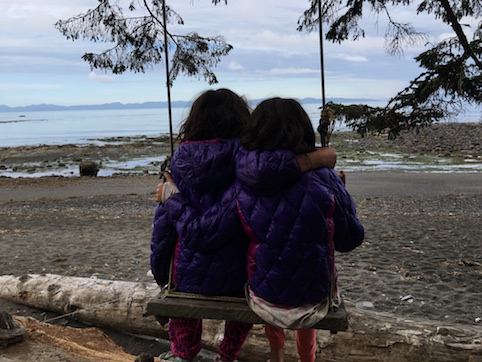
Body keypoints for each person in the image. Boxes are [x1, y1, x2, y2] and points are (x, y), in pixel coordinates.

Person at [150, 89, 337, 362]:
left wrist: (161, 277)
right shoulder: (249, 165)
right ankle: (227, 355)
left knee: (183, 297)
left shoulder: (177, 167)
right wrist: (315, 159)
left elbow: (162, 232)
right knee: (248, 283)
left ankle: (183, 353)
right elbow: (275, 167)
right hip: (239, 280)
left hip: (185, 277)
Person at [235, 98, 365, 362]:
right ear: (303, 131)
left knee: (271, 266)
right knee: (304, 276)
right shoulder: (324, 176)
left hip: (262, 296)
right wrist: (342, 194)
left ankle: (277, 354)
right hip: (314, 300)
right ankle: (308, 358)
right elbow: (350, 238)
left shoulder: (245, 180)